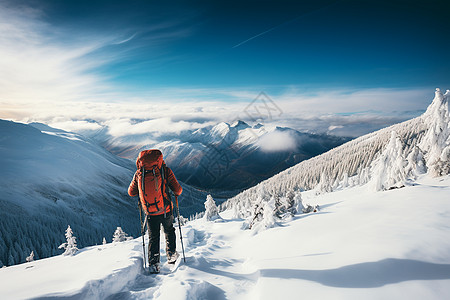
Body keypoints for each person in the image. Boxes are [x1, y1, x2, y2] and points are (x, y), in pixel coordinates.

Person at [128, 149, 183, 273]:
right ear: (159, 160)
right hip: (165, 210)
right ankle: (171, 256)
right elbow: (178, 190)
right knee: (169, 231)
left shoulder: (139, 174)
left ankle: (154, 264)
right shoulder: (165, 171)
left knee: (153, 237)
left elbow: (131, 192)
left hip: (150, 212)